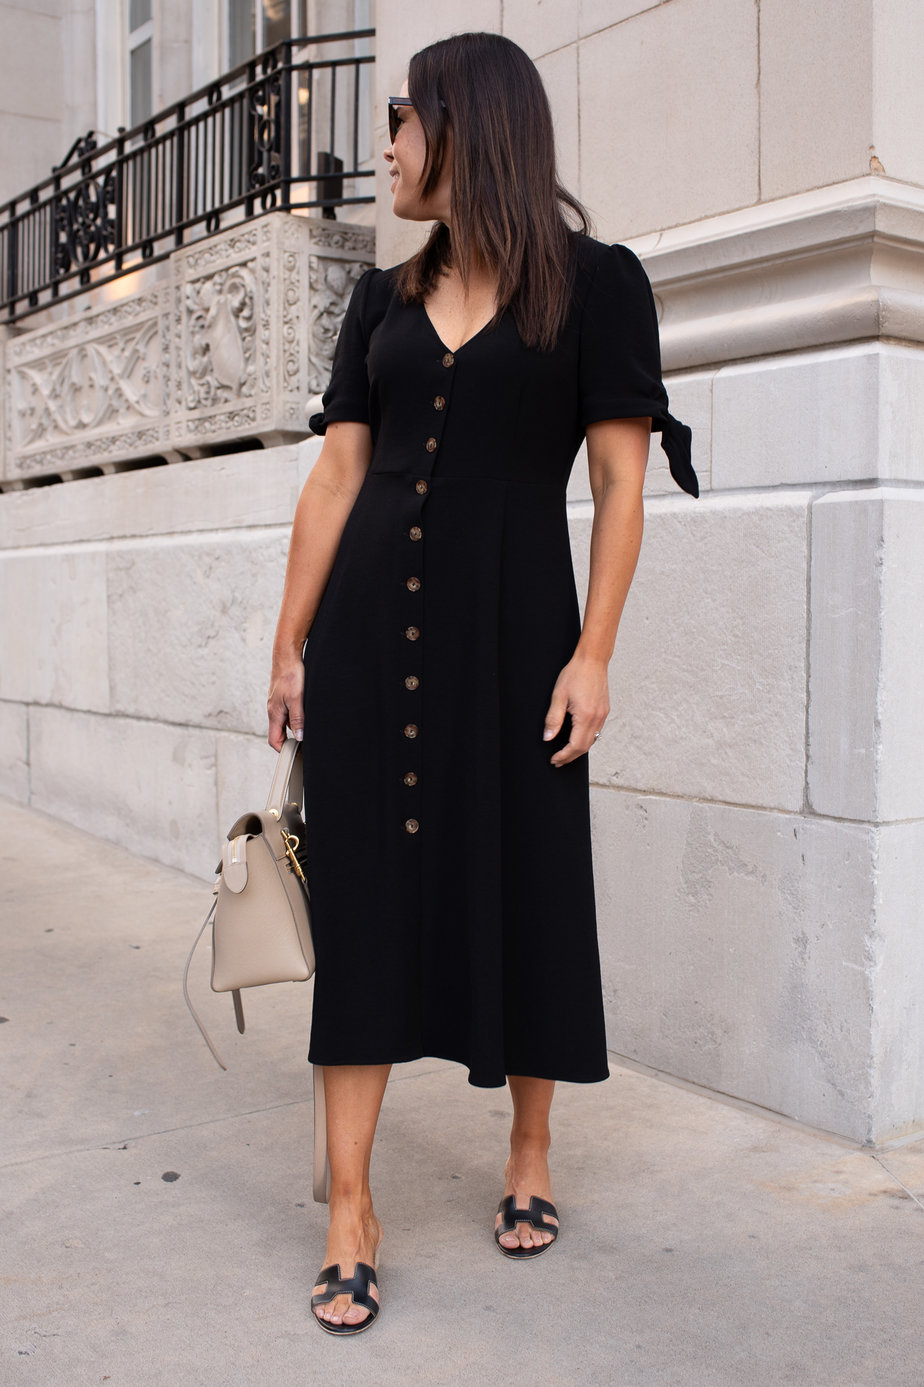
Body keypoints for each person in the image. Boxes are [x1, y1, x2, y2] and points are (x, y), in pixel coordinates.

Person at [267, 30, 697, 1336]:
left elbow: (622, 481)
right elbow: (339, 474)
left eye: (400, 117)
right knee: (362, 905)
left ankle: (528, 1148)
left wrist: (596, 651)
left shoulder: (598, 285)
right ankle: (350, 1205)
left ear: (464, 127)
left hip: (517, 642)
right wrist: (288, 641)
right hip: (364, 643)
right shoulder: (381, 305)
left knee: (521, 880)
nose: (385, 144)